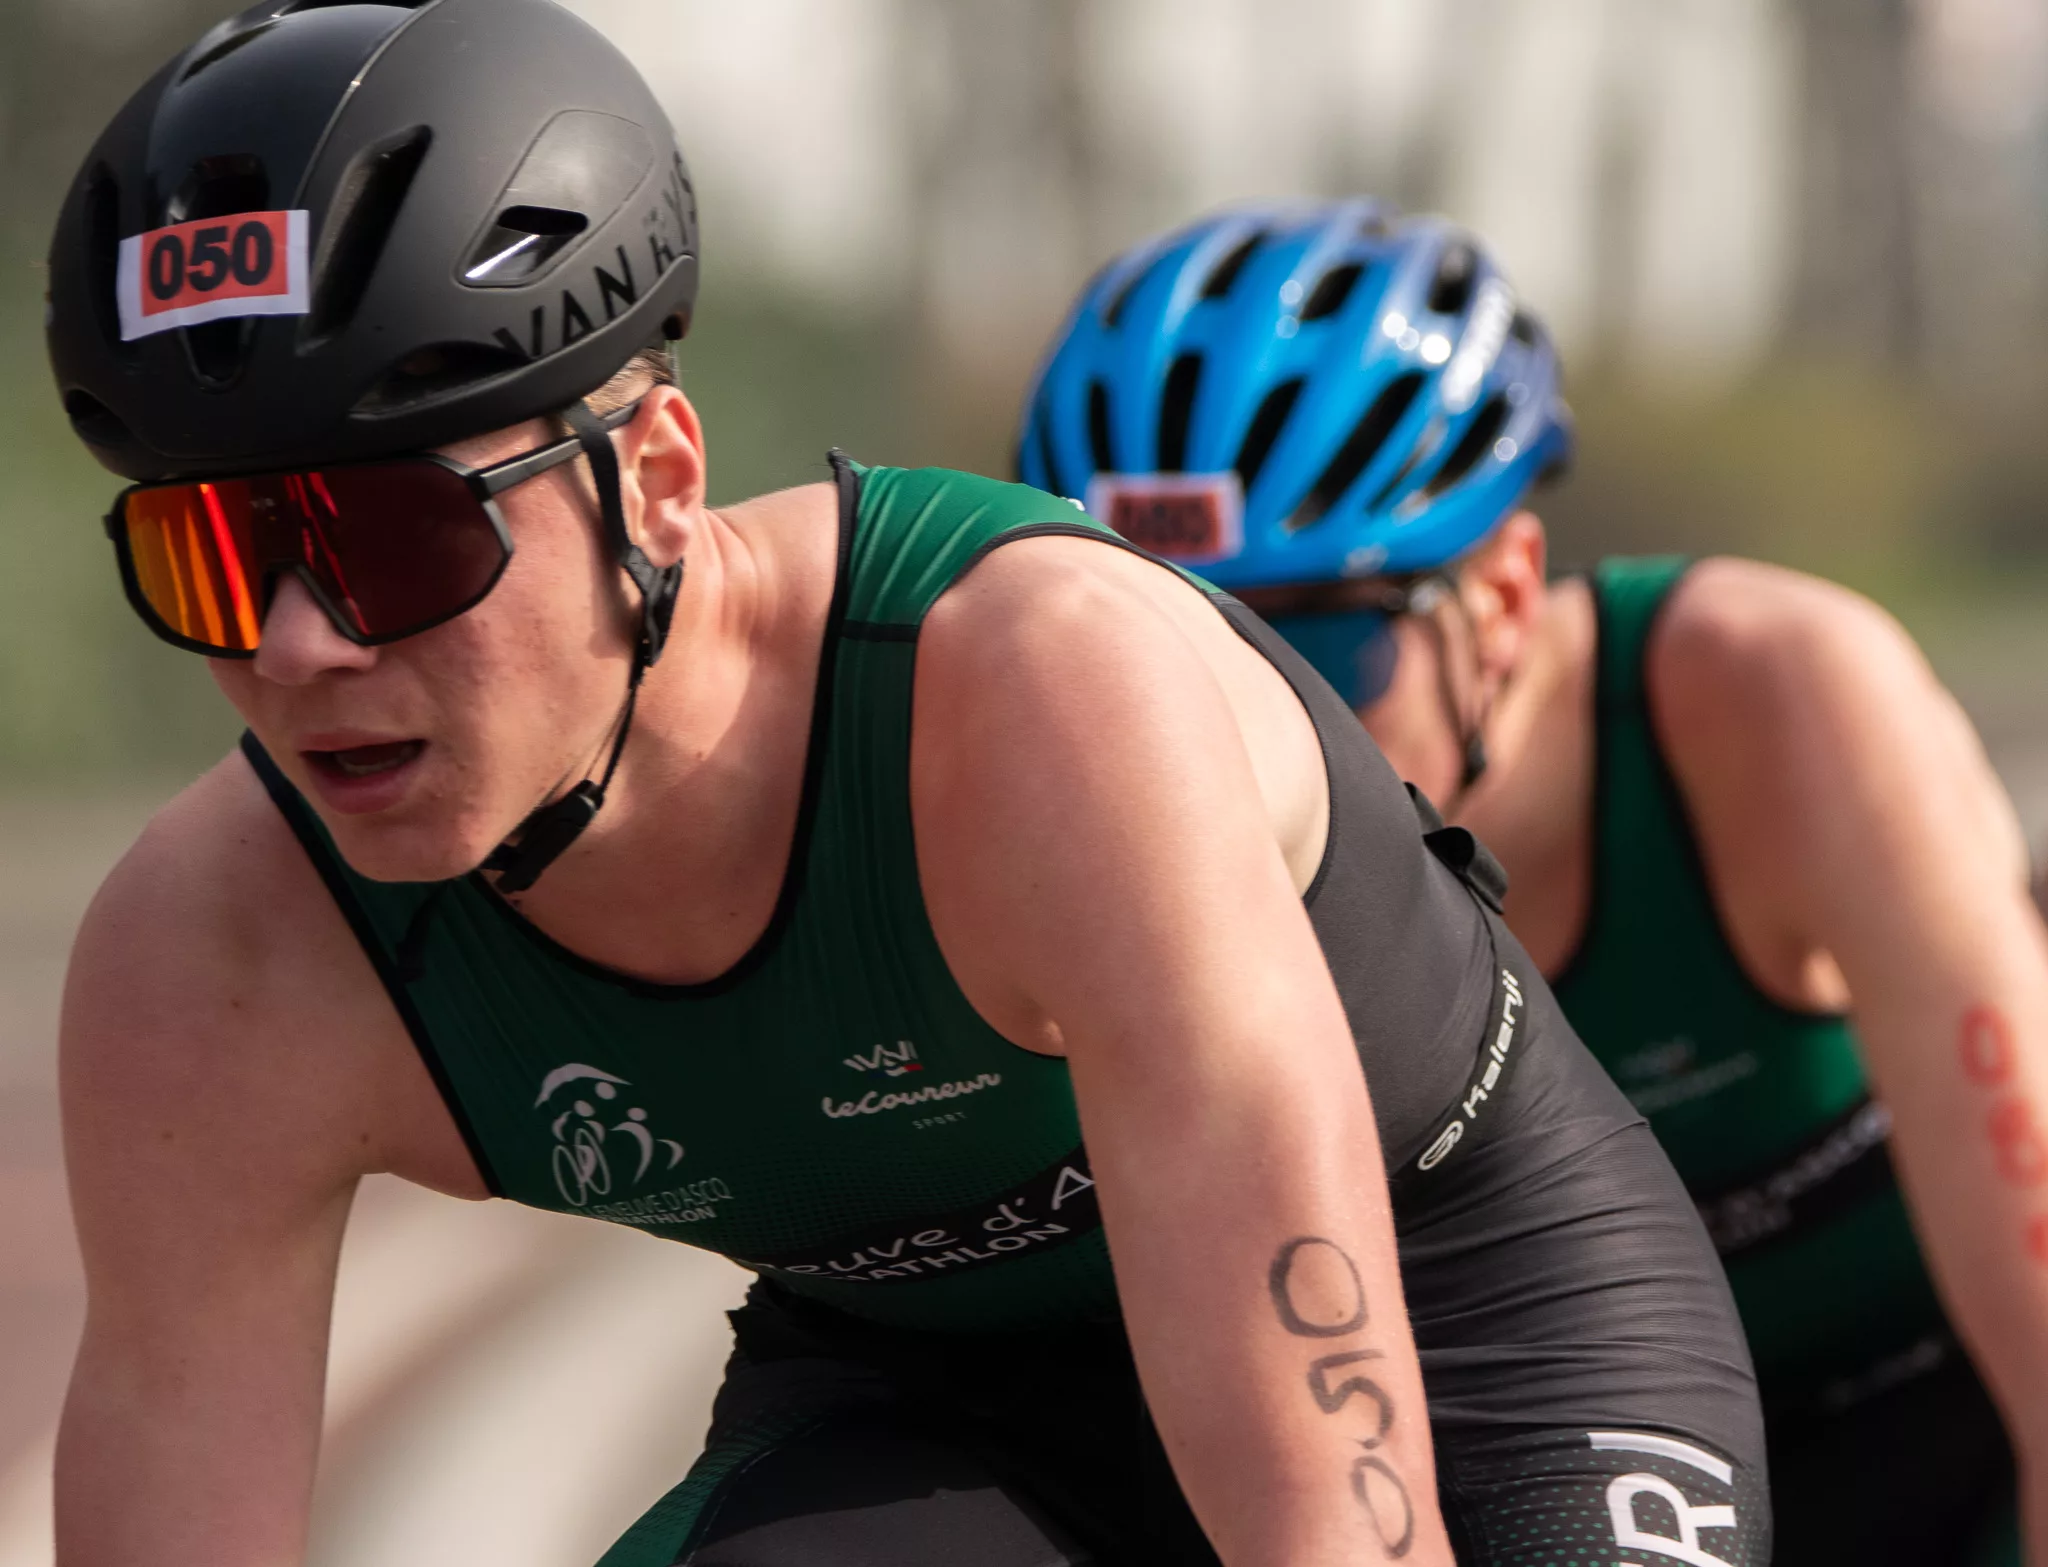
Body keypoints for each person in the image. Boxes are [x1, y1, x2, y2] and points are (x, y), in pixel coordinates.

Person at [46, 8, 1770, 1563]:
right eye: (213, 558)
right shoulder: (216, 961)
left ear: (656, 482)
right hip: (939, 1400)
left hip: (1463, 1315)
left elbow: (1325, 1515)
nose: (299, 645)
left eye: (397, 539)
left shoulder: (1033, 692)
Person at [1019, 197, 2048, 1567]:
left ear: (1501, 596)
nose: (1242, 734)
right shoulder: (1063, 819)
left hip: (1947, 1458)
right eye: (1159, 657)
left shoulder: (1777, 703)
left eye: (1317, 648)